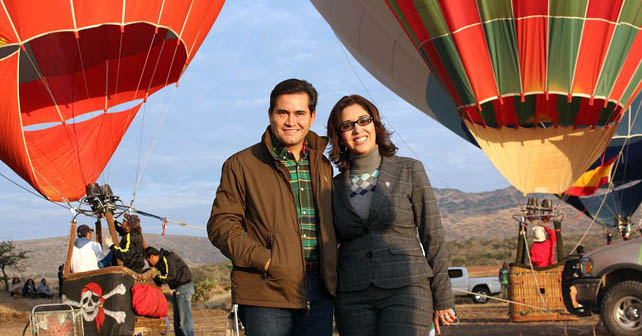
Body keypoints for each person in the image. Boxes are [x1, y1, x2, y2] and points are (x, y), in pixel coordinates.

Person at [207, 79, 337, 336]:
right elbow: (221, 224)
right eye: (283, 113)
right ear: (270, 115)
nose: (291, 121)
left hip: (320, 290)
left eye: (300, 113)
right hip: (266, 292)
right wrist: (266, 261)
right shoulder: (241, 164)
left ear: (312, 117)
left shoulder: (323, 165)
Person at [326, 94, 454, 336]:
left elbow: (432, 235)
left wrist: (443, 297)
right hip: (352, 294)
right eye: (347, 125)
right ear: (339, 135)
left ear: (375, 124)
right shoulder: (333, 186)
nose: (357, 129)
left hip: (407, 287)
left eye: (364, 120)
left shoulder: (409, 169)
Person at [146, 246, 193, 336]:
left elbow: (170, 276)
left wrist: (156, 278)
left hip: (183, 288)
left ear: (152, 256)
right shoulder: (162, 260)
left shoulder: (167, 258)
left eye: (148, 261)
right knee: (178, 322)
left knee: (184, 321)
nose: (149, 263)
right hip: (178, 289)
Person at [529, 203, 557, 268]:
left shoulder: (534, 246)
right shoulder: (549, 243)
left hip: (539, 270)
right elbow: (554, 235)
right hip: (550, 268)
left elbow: (532, 259)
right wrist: (545, 227)